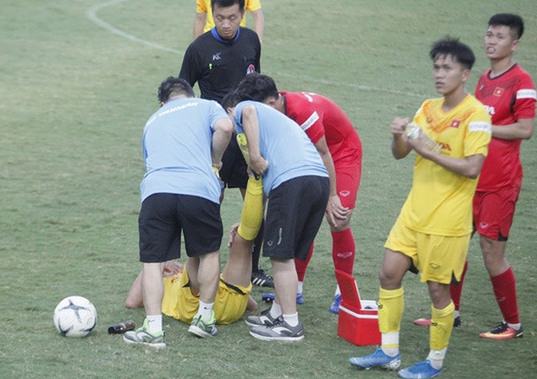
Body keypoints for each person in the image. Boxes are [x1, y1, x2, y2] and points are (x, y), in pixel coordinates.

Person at [348, 38, 491, 378]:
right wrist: (399, 136)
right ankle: (389, 351)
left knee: (438, 290)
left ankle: (435, 362)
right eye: (436, 67)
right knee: (388, 273)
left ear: (465, 73)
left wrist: (429, 152)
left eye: (447, 68)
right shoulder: (426, 109)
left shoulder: (477, 115)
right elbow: (400, 153)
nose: (439, 74)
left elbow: (473, 167)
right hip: (414, 213)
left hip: (448, 220)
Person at [413, 14, 536, 340]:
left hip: (500, 185)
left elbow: (526, 129)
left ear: (514, 43)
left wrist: (481, 126)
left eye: (499, 36)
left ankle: (513, 325)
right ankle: (449, 314)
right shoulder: (482, 79)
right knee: (454, 247)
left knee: (491, 255)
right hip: (470, 182)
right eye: (489, 34)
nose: (491, 41)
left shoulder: (521, 82)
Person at [235, 73, 363, 312]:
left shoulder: (301, 111)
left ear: (271, 104)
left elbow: (324, 153)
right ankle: (296, 290)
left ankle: (343, 295)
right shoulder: (275, 115)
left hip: (340, 155)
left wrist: (332, 195)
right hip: (310, 158)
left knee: (338, 219)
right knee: (301, 218)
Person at [122, 77, 232, 348]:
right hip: (198, 189)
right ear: (189, 94)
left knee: (153, 261)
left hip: (157, 191)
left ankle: (154, 330)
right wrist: (215, 159)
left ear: (163, 102)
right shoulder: (206, 105)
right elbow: (226, 127)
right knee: (208, 253)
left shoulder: (151, 121)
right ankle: (204, 319)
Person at [180, 0, 272, 289]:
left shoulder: (250, 40)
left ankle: (254, 269)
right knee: (209, 205)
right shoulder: (198, 50)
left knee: (255, 205)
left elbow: (256, 83)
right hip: (216, 143)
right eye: (220, 18)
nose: (226, 24)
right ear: (212, 15)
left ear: (242, 15)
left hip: (248, 142)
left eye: (232, 17)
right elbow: (181, 94)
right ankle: (202, 272)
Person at [222, 89, 330, 342]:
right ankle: (277, 313)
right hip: (317, 181)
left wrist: (255, 156)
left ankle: (290, 324)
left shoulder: (243, 109)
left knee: (280, 257)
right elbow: (266, 191)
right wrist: (246, 220)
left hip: (293, 182)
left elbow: (246, 110)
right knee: (288, 254)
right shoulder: (276, 125)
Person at [125, 172, 265, 327]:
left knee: (234, 242)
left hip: (206, 303)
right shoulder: (160, 283)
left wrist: (158, 260)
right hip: (222, 305)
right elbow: (132, 301)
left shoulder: (160, 286)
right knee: (238, 241)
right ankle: (250, 178)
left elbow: (134, 298)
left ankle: (227, 179)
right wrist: (161, 262)